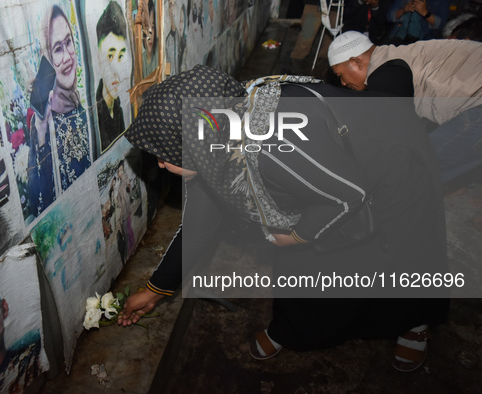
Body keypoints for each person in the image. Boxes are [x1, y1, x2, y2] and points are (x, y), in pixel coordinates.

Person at [118, 66, 449, 372]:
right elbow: (199, 223)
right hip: (333, 169)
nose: (161, 163)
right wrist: (156, 290)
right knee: (300, 264)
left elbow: (348, 196)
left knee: (401, 253)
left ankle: (413, 322)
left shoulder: (273, 145)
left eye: (166, 152)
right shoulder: (220, 134)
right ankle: (291, 329)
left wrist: (298, 236)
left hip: (394, 166)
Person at [327, 31, 482, 184]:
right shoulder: (393, 58)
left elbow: (396, 133)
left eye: (341, 75)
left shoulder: (384, 74)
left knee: (418, 167)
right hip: (474, 97)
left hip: (477, 102)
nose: (343, 83)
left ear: (356, 62)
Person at [27, 4, 92, 219]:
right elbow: (37, 201)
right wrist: (42, 132)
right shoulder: (41, 120)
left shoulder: (79, 103)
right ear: (47, 57)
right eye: (57, 49)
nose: (67, 57)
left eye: (68, 43)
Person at [96, 0, 129, 153]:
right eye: (110, 56)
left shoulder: (118, 110)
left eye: (120, 56)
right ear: (99, 60)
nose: (116, 69)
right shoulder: (95, 117)